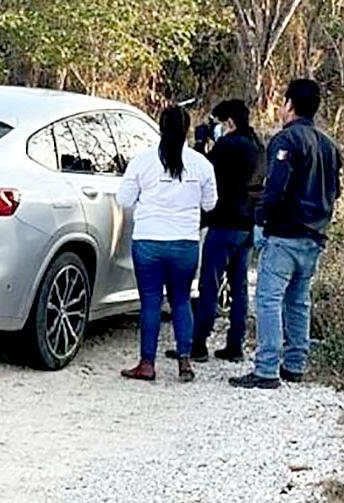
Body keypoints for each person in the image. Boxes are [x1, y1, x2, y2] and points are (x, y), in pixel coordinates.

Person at [230, 79, 342, 389]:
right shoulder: (329, 146)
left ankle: (266, 368)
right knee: (298, 300)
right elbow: (336, 191)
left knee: (268, 299)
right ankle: (295, 364)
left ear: (290, 105)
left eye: (283, 102)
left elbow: (275, 187)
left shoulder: (286, 140)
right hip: (314, 235)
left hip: (285, 234)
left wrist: (261, 220)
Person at [116, 106, 218, 383]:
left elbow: (124, 199)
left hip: (148, 240)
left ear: (160, 128)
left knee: (150, 302)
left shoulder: (142, 161)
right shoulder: (201, 164)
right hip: (185, 242)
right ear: (187, 129)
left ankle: (147, 364)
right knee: (181, 300)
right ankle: (184, 362)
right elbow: (210, 204)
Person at [164, 99, 266, 363]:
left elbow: (201, 169)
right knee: (239, 286)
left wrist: (200, 142)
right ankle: (235, 344)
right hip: (247, 223)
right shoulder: (258, 146)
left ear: (229, 122)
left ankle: (198, 344)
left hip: (224, 222)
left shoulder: (228, 145)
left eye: (220, 123)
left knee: (210, 284)